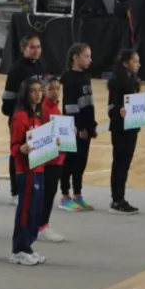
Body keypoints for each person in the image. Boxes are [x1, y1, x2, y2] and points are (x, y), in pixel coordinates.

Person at [9, 78, 47, 266]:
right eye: (33, 91)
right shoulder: (20, 117)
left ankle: (28, 246)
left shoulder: (39, 116)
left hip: (39, 168)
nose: (38, 94)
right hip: (26, 170)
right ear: (26, 93)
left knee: (35, 210)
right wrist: (21, 149)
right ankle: (18, 249)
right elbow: (14, 146)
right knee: (25, 210)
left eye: (40, 90)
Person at [2, 36, 44, 202]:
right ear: (23, 49)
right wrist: (18, 115)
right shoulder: (17, 69)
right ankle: (15, 190)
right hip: (19, 117)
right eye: (32, 47)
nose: (36, 50)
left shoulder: (40, 66)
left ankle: (32, 183)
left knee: (34, 150)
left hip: (35, 116)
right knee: (17, 152)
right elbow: (8, 99)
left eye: (38, 47)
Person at [59, 43, 97, 212]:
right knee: (69, 162)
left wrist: (91, 125)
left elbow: (89, 104)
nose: (90, 59)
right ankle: (65, 195)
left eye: (90, 56)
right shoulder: (69, 78)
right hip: (73, 128)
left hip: (86, 128)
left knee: (81, 163)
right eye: (86, 56)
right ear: (75, 58)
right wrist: (79, 126)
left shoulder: (85, 77)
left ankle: (78, 194)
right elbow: (70, 106)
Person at [108, 50, 143, 214]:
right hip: (120, 128)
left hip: (132, 126)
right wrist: (118, 111)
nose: (138, 64)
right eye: (135, 61)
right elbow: (112, 106)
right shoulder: (116, 81)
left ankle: (121, 197)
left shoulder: (133, 80)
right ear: (125, 63)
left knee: (125, 163)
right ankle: (117, 199)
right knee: (120, 163)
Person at [39, 77, 66, 242]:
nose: (55, 92)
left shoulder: (56, 107)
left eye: (57, 88)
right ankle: (42, 225)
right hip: (48, 160)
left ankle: (43, 223)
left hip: (58, 158)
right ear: (44, 91)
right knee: (45, 194)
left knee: (50, 193)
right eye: (51, 89)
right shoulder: (43, 109)